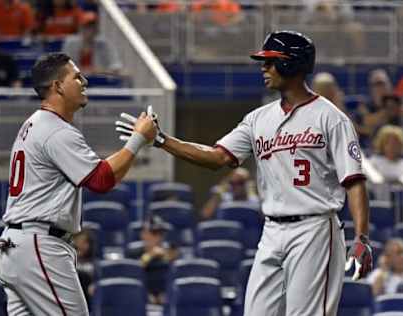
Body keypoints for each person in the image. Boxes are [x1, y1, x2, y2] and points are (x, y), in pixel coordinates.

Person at [116, 30, 372, 315]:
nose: (264, 68)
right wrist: (162, 140)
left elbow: (354, 181)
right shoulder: (258, 119)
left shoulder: (331, 118)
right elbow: (216, 158)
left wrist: (361, 237)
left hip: (315, 227)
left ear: (292, 63)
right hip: (272, 228)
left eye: (271, 61)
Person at [0, 52, 157, 316]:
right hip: (39, 246)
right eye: (77, 76)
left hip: (16, 245)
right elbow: (101, 180)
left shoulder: (34, 124)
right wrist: (137, 139)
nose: (85, 81)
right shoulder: (55, 129)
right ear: (57, 86)